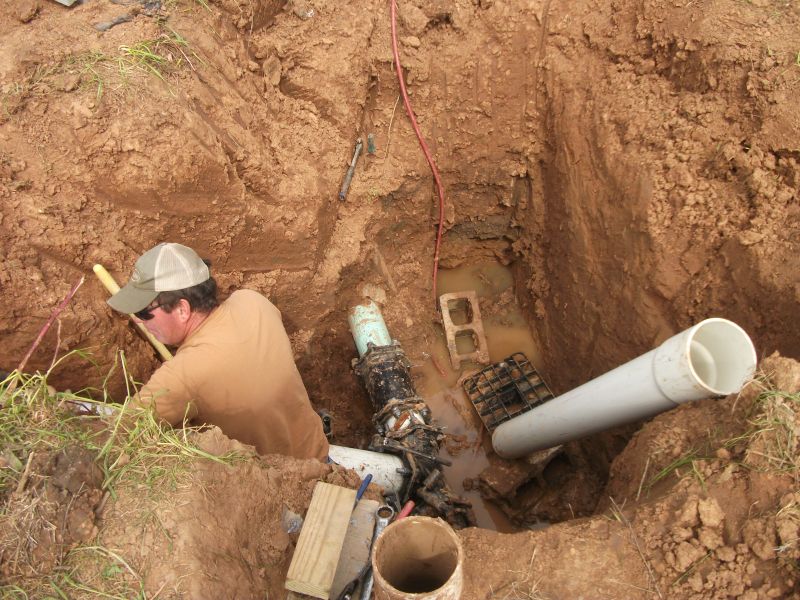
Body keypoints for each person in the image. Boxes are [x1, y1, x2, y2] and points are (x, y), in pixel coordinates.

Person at [106, 242, 329, 461]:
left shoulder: (182, 376)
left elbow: (121, 434)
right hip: (317, 453)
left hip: (276, 483)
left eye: (144, 313)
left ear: (183, 309)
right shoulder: (252, 301)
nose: (136, 319)